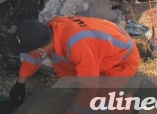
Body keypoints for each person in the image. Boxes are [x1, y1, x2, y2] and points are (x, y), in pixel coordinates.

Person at [7, 16, 140, 110]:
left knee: (98, 105)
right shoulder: (49, 28)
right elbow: (34, 55)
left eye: (27, 51)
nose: (27, 54)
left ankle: (133, 103)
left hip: (121, 60)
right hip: (102, 47)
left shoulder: (78, 46)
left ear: (41, 49)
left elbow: (89, 90)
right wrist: (20, 82)